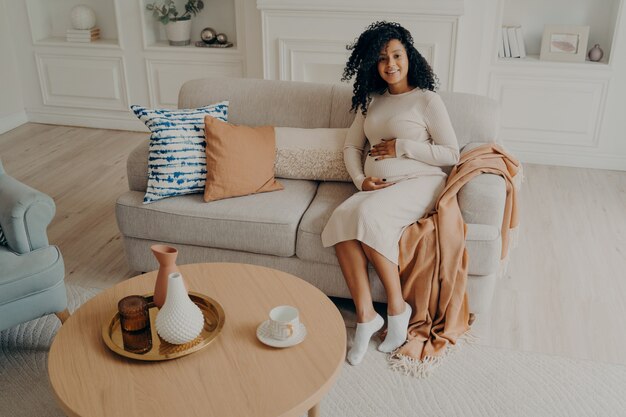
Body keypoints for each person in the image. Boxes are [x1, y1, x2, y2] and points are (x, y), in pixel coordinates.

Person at [320, 21, 460, 365]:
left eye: (397, 55)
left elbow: (451, 154)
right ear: (373, 64)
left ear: (409, 56)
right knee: (340, 220)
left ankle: (398, 310)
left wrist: (403, 147)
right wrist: (359, 180)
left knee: (367, 216)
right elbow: (353, 147)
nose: (391, 64)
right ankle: (367, 317)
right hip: (378, 188)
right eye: (382, 59)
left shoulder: (426, 101)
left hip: (420, 182)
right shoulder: (371, 100)